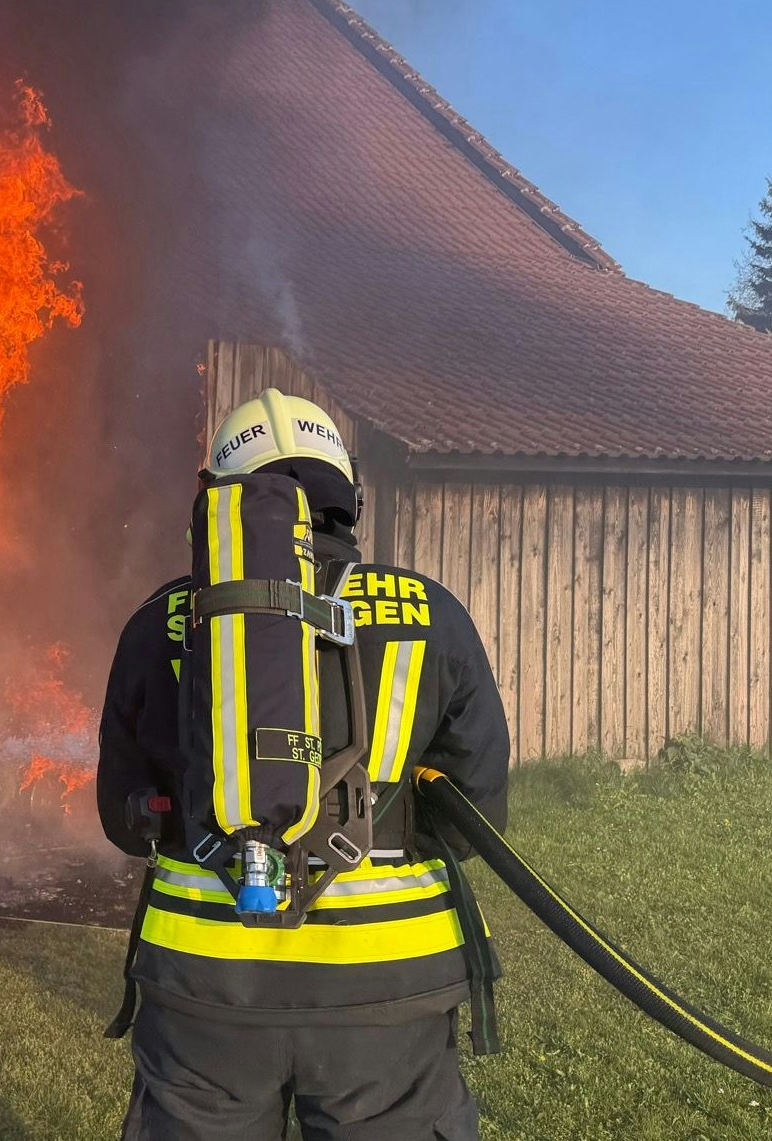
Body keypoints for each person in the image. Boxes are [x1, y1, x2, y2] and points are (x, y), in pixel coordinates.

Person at [97, 388, 510, 1141]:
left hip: (203, 993)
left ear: (214, 499)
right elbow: (480, 816)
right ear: (350, 495)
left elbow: (123, 819)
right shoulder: (430, 614)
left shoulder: (157, 622)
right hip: (387, 997)